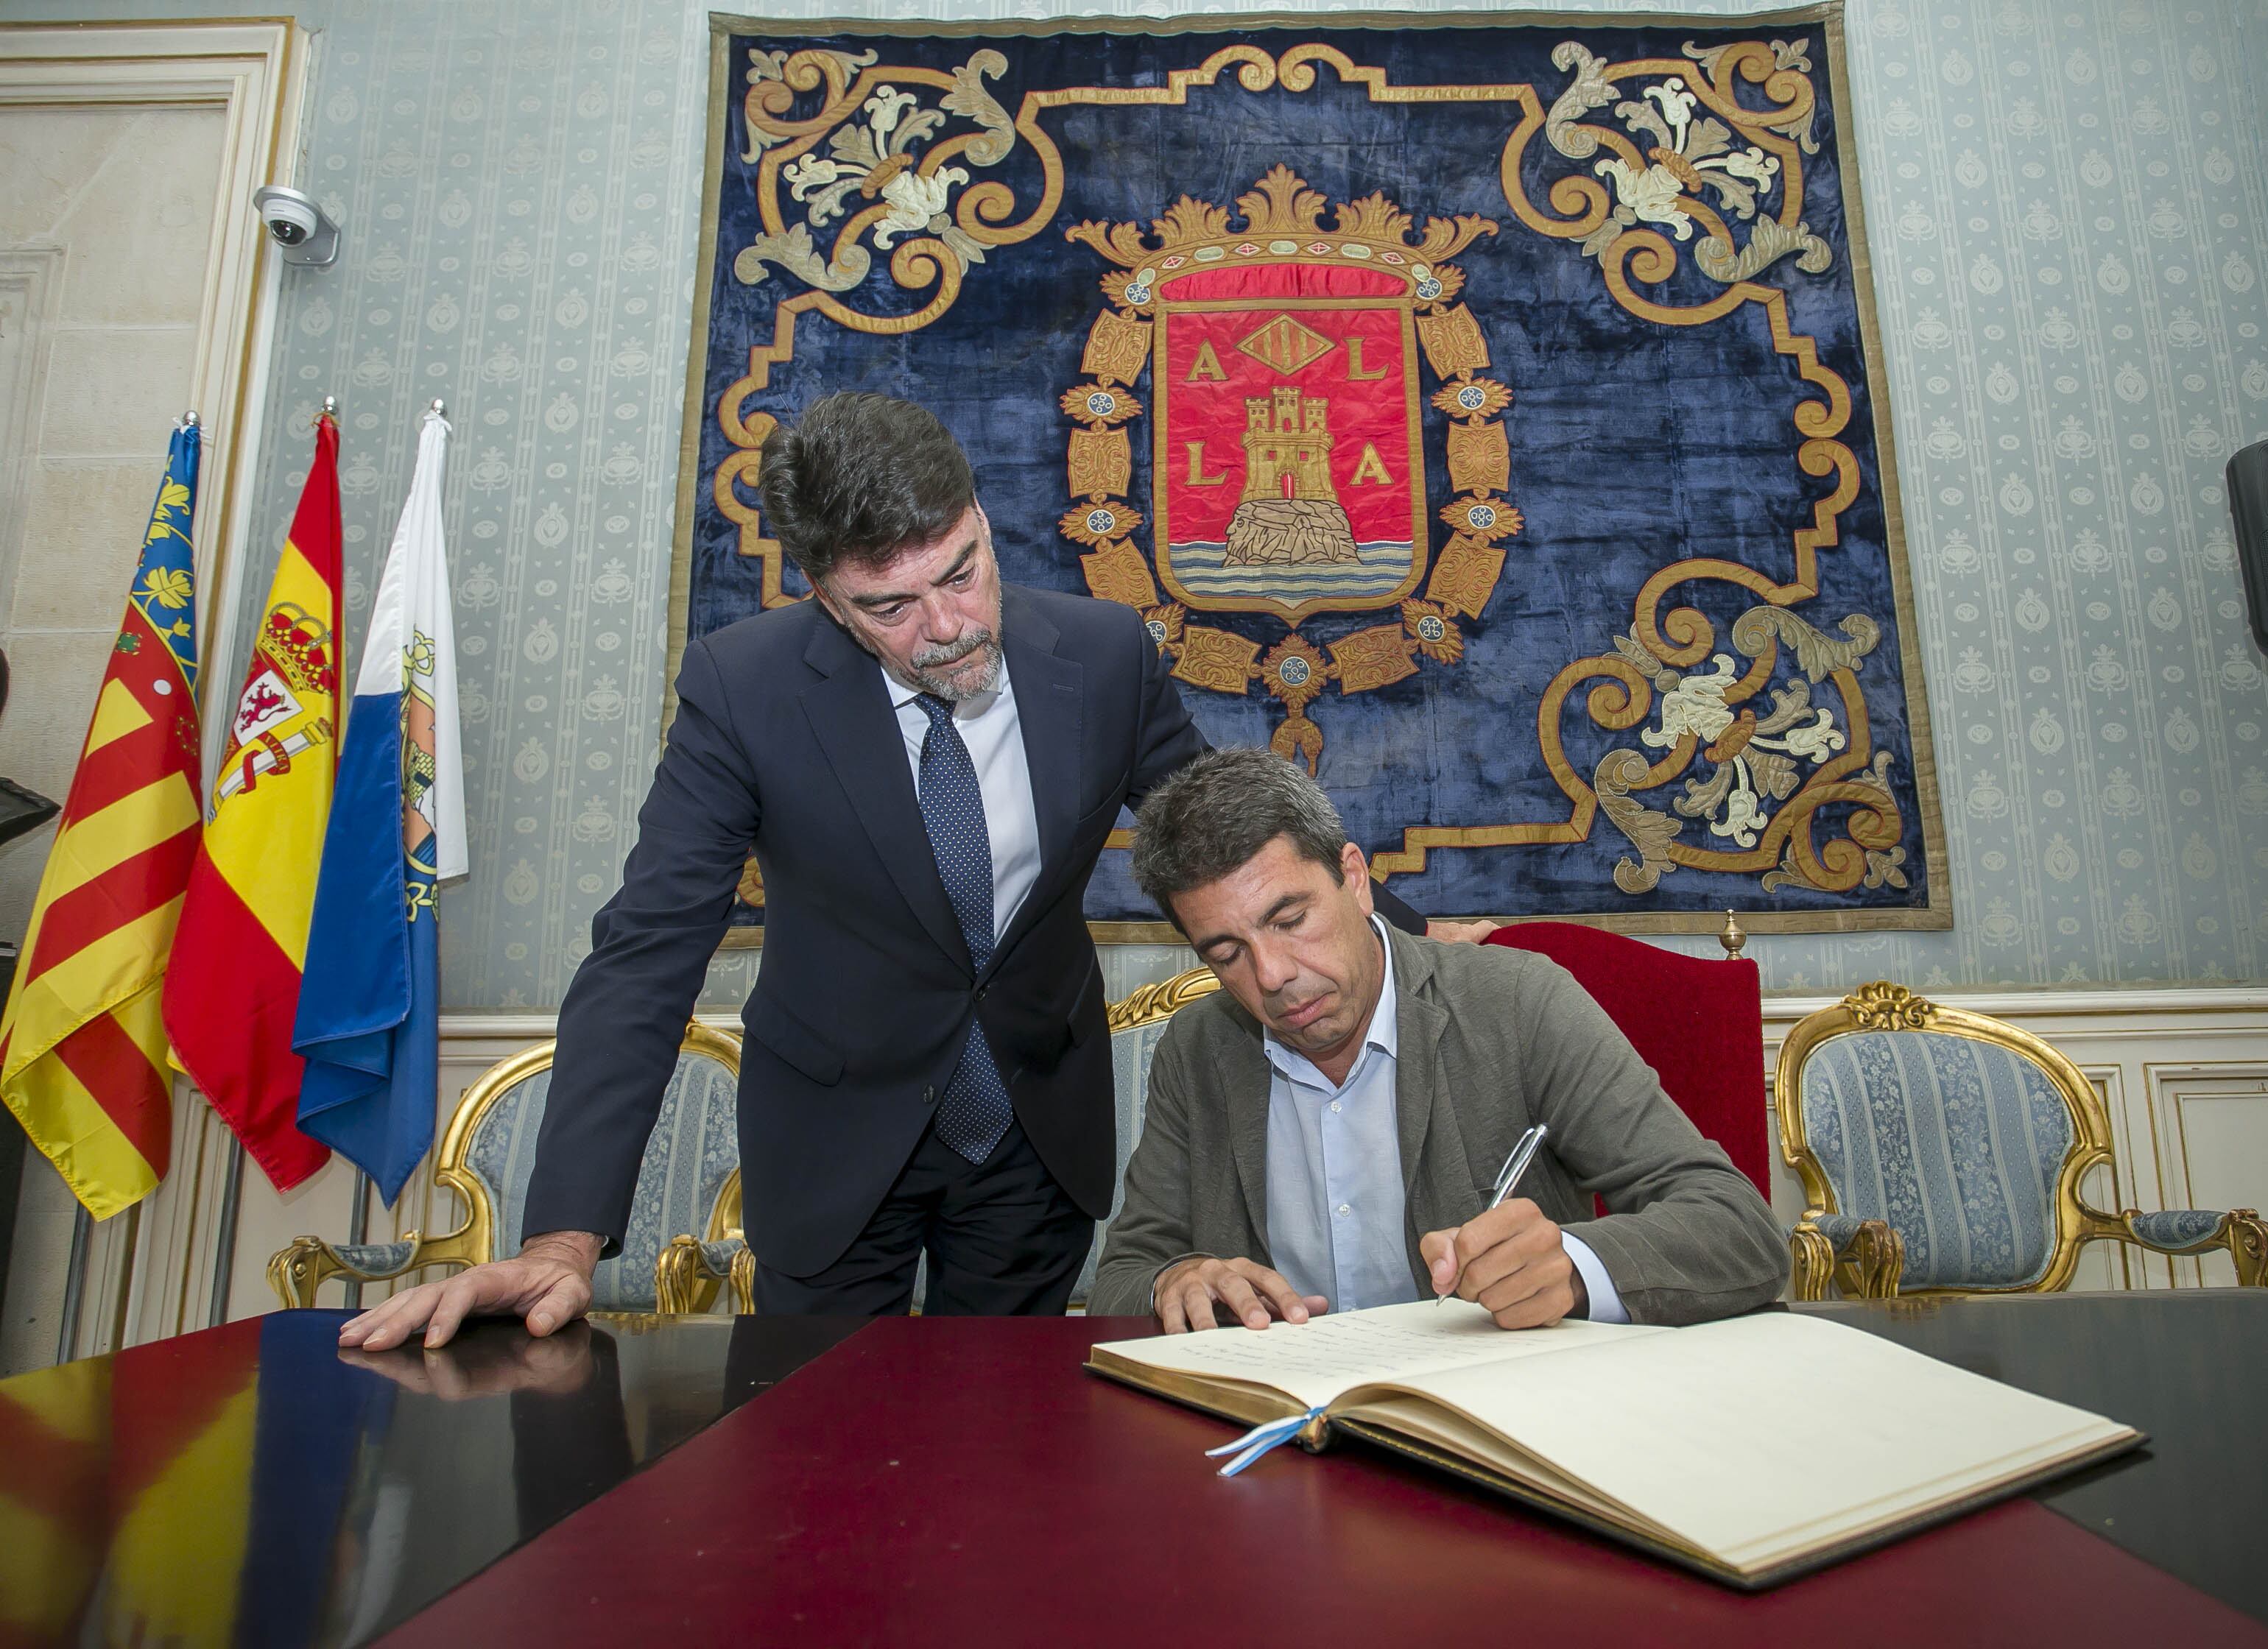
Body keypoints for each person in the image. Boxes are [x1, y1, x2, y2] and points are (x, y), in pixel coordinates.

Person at [342, 393, 1481, 1352]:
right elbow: (648, 952)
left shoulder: (1100, 655)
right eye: (890, 607)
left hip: (1034, 1134)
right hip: (837, 1145)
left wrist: (1420, 952)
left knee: (1012, 1479)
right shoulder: (744, 691)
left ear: (981, 521)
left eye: (962, 573)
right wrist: (564, 1239)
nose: (946, 627)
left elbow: (1229, 837)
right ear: (826, 599)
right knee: (815, 1480)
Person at [1089, 747, 1788, 1331]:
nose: (1272, 977)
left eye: (1289, 919)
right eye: (1226, 953)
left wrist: (1573, 1267)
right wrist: (1176, 1281)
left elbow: (1739, 1230)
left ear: (1355, 880)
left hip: (1498, 1429)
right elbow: (1124, 1275)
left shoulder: (1516, 1001)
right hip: (1283, 1439)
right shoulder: (1198, 1048)